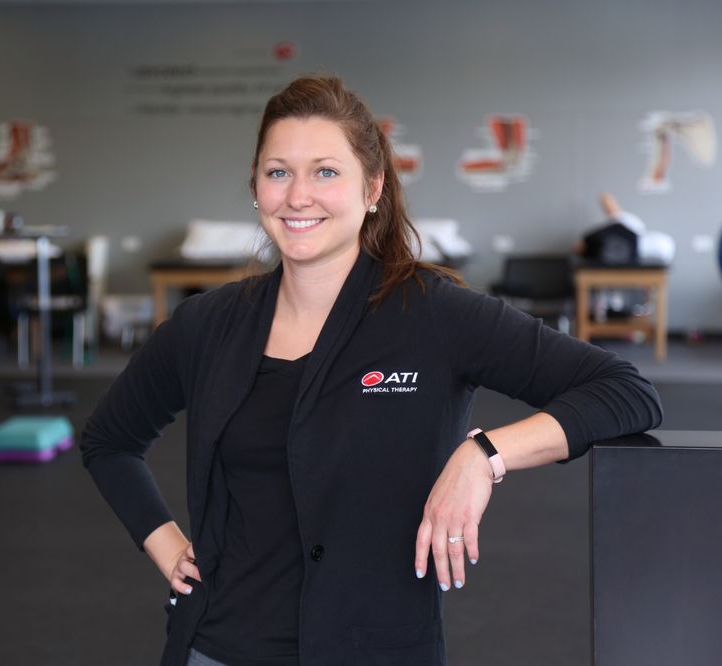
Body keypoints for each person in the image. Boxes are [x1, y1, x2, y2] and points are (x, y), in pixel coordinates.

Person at [81, 76, 663, 666]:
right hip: (219, 647)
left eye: (325, 172)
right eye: (278, 172)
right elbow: (109, 440)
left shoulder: (432, 313)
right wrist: (165, 543)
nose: (298, 196)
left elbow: (624, 392)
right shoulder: (207, 324)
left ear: (373, 187)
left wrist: (484, 455)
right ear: (256, 187)